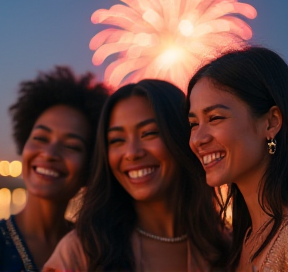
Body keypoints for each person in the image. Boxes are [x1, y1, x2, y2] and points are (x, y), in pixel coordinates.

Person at [43, 79, 229, 272]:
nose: (132, 152)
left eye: (148, 133)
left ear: (182, 136)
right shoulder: (83, 252)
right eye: (117, 140)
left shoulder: (227, 248)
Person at [187, 47, 288, 272]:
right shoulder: (244, 239)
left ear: (271, 122)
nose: (198, 139)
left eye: (215, 118)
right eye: (194, 124)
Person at [0, 66, 110, 272]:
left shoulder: (100, 252)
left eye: (71, 146)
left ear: (91, 166)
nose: (50, 153)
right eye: (41, 138)